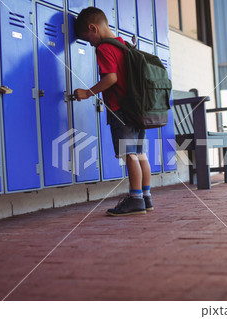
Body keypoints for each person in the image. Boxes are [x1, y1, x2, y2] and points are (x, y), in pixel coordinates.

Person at [73, 7, 153, 216]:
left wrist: (88, 92)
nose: (90, 43)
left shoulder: (104, 48)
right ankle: (146, 197)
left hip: (121, 110)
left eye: (87, 38)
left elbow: (111, 78)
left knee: (129, 155)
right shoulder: (124, 44)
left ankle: (135, 200)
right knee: (140, 153)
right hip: (138, 109)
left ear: (93, 28)